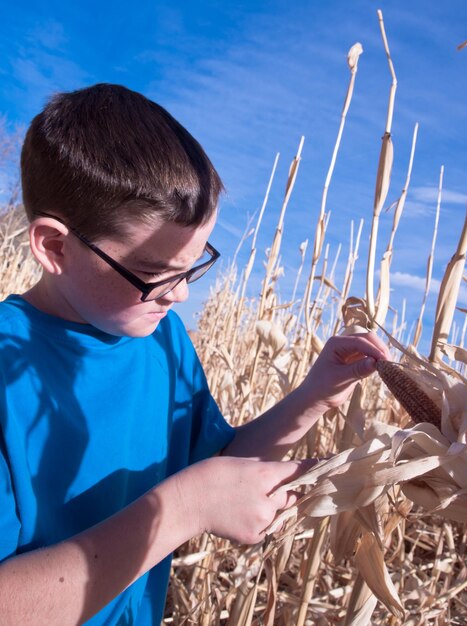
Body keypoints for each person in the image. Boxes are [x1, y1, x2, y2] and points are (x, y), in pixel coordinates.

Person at [0, 83, 389, 625]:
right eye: (157, 274)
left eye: (194, 264)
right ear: (55, 248)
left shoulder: (162, 339)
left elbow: (217, 464)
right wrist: (186, 506)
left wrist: (317, 394)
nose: (181, 293)